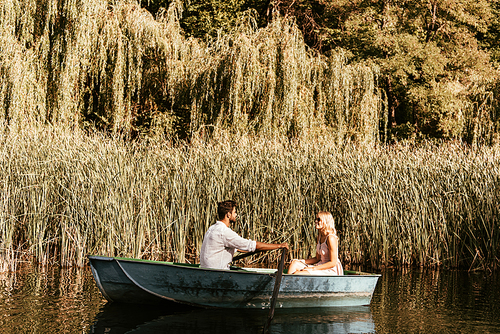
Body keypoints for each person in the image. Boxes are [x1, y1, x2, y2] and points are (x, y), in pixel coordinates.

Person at [200, 200, 288, 269]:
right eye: (234, 212)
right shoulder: (225, 232)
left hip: (207, 271)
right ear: (228, 214)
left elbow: (238, 248)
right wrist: (279, 246)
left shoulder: (212, 228)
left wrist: (260, 249)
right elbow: (252, 245)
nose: (236, 215)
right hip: (219, 273)